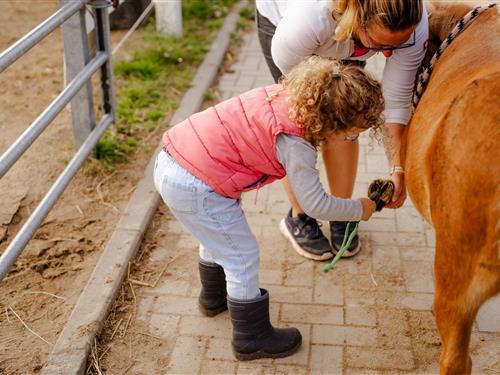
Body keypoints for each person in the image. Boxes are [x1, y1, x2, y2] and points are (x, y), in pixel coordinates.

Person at [153, 56, 382, 361]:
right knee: (242, 256)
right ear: (334, 121)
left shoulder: (290, 97)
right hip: (197, 183)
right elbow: (315, 204)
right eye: (351, 133)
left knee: (217, 237)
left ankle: (214, 299)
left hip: (176, 159)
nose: (351, 138)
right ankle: (251, 338)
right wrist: (360, 208)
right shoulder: (295, 143)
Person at [256, 0, 428, 260]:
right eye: (382, 47)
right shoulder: (306, 22)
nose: (389, 55)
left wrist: (397, 168)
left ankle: (341, 213)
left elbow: (396, 105)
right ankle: (299, 215)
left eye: (397, 46)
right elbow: (295, 103)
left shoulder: (411, 24)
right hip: (290, 23)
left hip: (352, 36)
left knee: (348, 118)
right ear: (356, 17)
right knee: (298, 124)